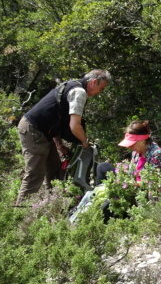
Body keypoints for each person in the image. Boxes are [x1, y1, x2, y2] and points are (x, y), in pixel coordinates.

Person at [16, 69, 111, 206]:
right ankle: (20, 216)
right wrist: (85, 142)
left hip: (44, 133)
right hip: (33, 130)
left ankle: (53, 208)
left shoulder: (72, 85)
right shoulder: (79, 92)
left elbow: (57, 117)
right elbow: (74, 125)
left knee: (55, 171)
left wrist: (59, 144)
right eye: (101, 88)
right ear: (94, 82)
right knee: (35, 174)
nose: (99, 93)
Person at [96, 120, 161, 222]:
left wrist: (130, 184)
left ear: (142, 140)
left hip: (144, 194)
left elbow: (153, 183)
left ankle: (109, 213)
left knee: (107, 207)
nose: (129, 147)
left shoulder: (156, 153)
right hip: (131, 185)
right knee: (103, 167)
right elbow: (132, 172)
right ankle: (101, 200)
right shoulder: (136, 152)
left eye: (132, 144)